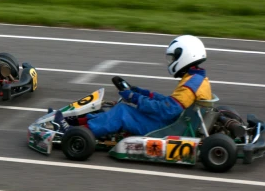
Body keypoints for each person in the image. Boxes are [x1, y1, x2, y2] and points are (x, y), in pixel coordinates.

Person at [55, 35, 212, 138]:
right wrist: (142, 93)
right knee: (119, 108)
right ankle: (76, 122)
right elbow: (171, 103)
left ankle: (78, 133)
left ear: (184, 56)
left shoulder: (191, 83)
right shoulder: (197, 79)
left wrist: (134, 98)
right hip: (174, 122)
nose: (170, 62)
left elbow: (167, 109)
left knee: (123, 111)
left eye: (173, 58)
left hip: (166, 129)